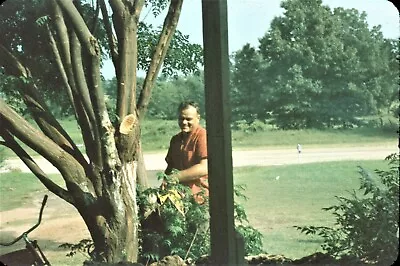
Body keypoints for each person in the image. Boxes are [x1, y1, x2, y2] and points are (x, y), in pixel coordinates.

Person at [164, 101, 209, 201]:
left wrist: (175, 178)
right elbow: (170, 168)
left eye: (188, 119)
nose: (184, 122)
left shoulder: (202, 136)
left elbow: (204, 168)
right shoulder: (175, 140)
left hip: (200, 198)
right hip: (178, 198)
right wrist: (164, 186)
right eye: (181, 118)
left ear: (198, 118)